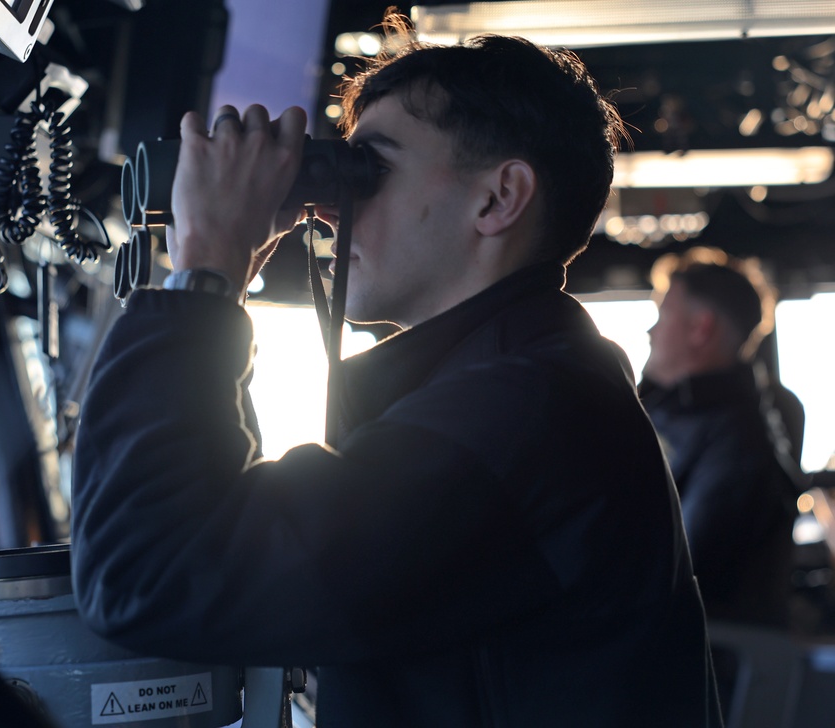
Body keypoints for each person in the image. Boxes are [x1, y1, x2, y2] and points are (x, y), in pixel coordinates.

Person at [71, 14, 722, 727]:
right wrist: (223, 274)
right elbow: (230, 532)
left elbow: (151, 576)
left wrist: (206, 272)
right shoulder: (530, 384)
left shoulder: (526, 416)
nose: (330, 209)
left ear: (497, 198)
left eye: (370, 170)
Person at [640, 247, 805, 628]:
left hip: (698, 646)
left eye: (663, 314)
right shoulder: (669, 411)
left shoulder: (740, 446)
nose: (650, 332)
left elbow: (682, 572)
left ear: (701, 328)